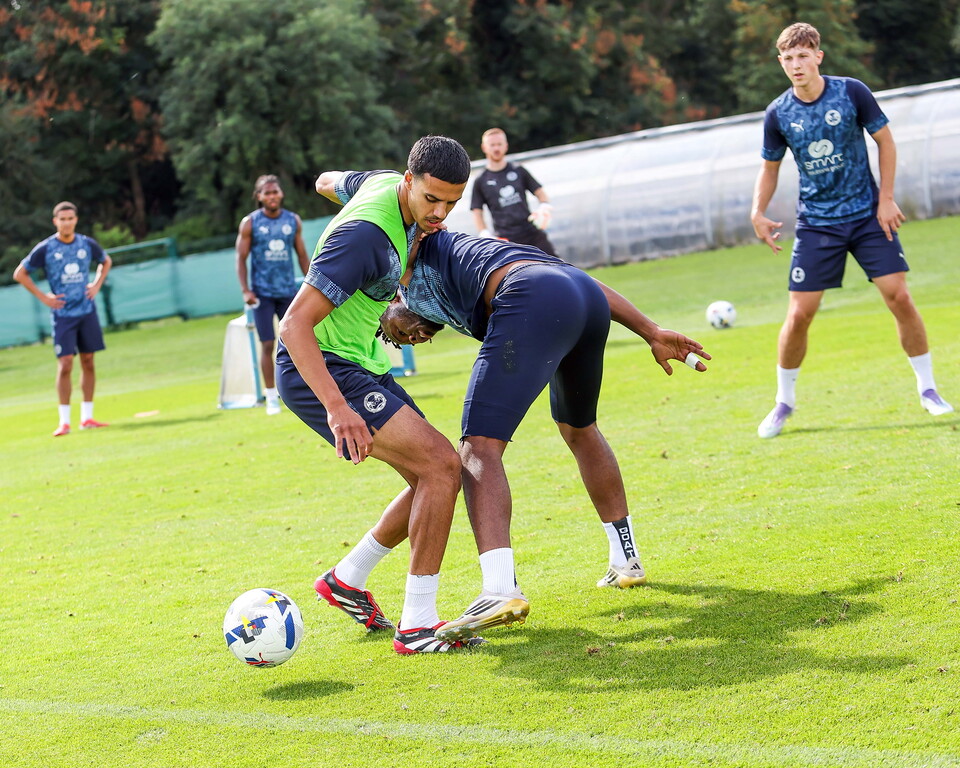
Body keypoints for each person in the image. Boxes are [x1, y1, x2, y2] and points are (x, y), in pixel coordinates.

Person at [377, 230, 710, 643]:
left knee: (478, 448)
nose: (413, 337)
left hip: (533, 298)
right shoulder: (479, 250)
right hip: (581, 296)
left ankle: (500, 590)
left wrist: (351, 188)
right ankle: (626, 559)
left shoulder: (406, 263)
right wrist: (650, 330)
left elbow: (332, 184)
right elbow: (576, 278)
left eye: (407, 332)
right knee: (580, 429)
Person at [276, 136, 481, 654]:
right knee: (442, 468)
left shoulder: (380, 183)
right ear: (409, 181)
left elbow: (326, 180)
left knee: (430, 478)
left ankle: (347, 578)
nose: (440, 214)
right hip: (321, 370)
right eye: (431, 200)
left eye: (452, 203)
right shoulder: (365, 239)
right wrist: (337, 409)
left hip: (361, 363)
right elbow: (293, 326)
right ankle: (418, 628)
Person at [751, 22, 952, 439]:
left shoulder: (852, 92)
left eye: (803, 55)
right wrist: (758, 211)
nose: (796, 64)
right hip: (817, 225)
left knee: (899, 296)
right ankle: (783, 401)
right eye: (788, 58)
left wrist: (887, 198)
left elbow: (887, 142)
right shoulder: (779, 113)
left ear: (818, 56)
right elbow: (769, 168)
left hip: (866, 217)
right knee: (800, 314)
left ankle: (929, 389)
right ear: (780, 63)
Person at [14, 201, 112, 437]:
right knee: (66, 363)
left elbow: (105, 261)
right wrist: (44, 297)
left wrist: (97, 284)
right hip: (63, 315)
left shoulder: (86, 243)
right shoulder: (46, 248)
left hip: (87, 311)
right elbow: (20, 273)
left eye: (70, 219)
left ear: (75, 220)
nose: (66, 223)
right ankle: (64, 421)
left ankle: (87, 417)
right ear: (55, 221)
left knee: (88, 361)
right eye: (62, 219)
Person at [236, 175, 310, 415]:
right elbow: (241, 258)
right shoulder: (250, 223)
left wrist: (313, 281)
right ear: (259, 197)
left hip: (288, 291)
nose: (272, 196)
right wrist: (246, 290)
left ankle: (303, 390)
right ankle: (271, 397)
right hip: (262, 294)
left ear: (281, 194)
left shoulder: (292, 220)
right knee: (267, 343)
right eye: (267, 193)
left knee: (297, 340)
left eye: (275, 192)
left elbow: (300, 254)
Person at [470, 127, 557, 255]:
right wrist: (484, 232)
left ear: (506, 146)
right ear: (484, 148)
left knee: (558, 266)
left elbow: (539, 192)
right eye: (492, 145)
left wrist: (544, 206)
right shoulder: (480, 180)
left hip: (531, 232)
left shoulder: (518, 170)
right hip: (506, 240)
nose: (496, 148)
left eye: (499, 144)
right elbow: (477, 211)